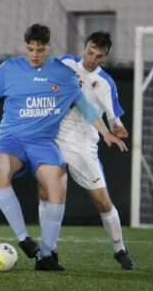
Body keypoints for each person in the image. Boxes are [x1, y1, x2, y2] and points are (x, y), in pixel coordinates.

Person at [0, 24, 127, 271]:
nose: (35, 54)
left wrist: (106, 133)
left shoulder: (64, 74)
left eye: (40, 49)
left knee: (57, 186)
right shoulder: (9, 69)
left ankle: (47, 256)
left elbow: (85, 106)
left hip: (44, 143)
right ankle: (24, 238)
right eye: (30, 49)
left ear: (49, 47)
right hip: (12, 140)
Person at [38, 31, 134, 270]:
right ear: (85, 47)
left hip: (83, 146)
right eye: (90, 52)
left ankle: (119, 249)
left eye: (98, 56)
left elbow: (115, 121)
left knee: (102, 202)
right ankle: (49, 252)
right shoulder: (66, 63)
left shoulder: (105, 84)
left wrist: (118, 129)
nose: (92, 58)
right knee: (46, 194)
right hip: (53, 139)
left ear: (105, 56)